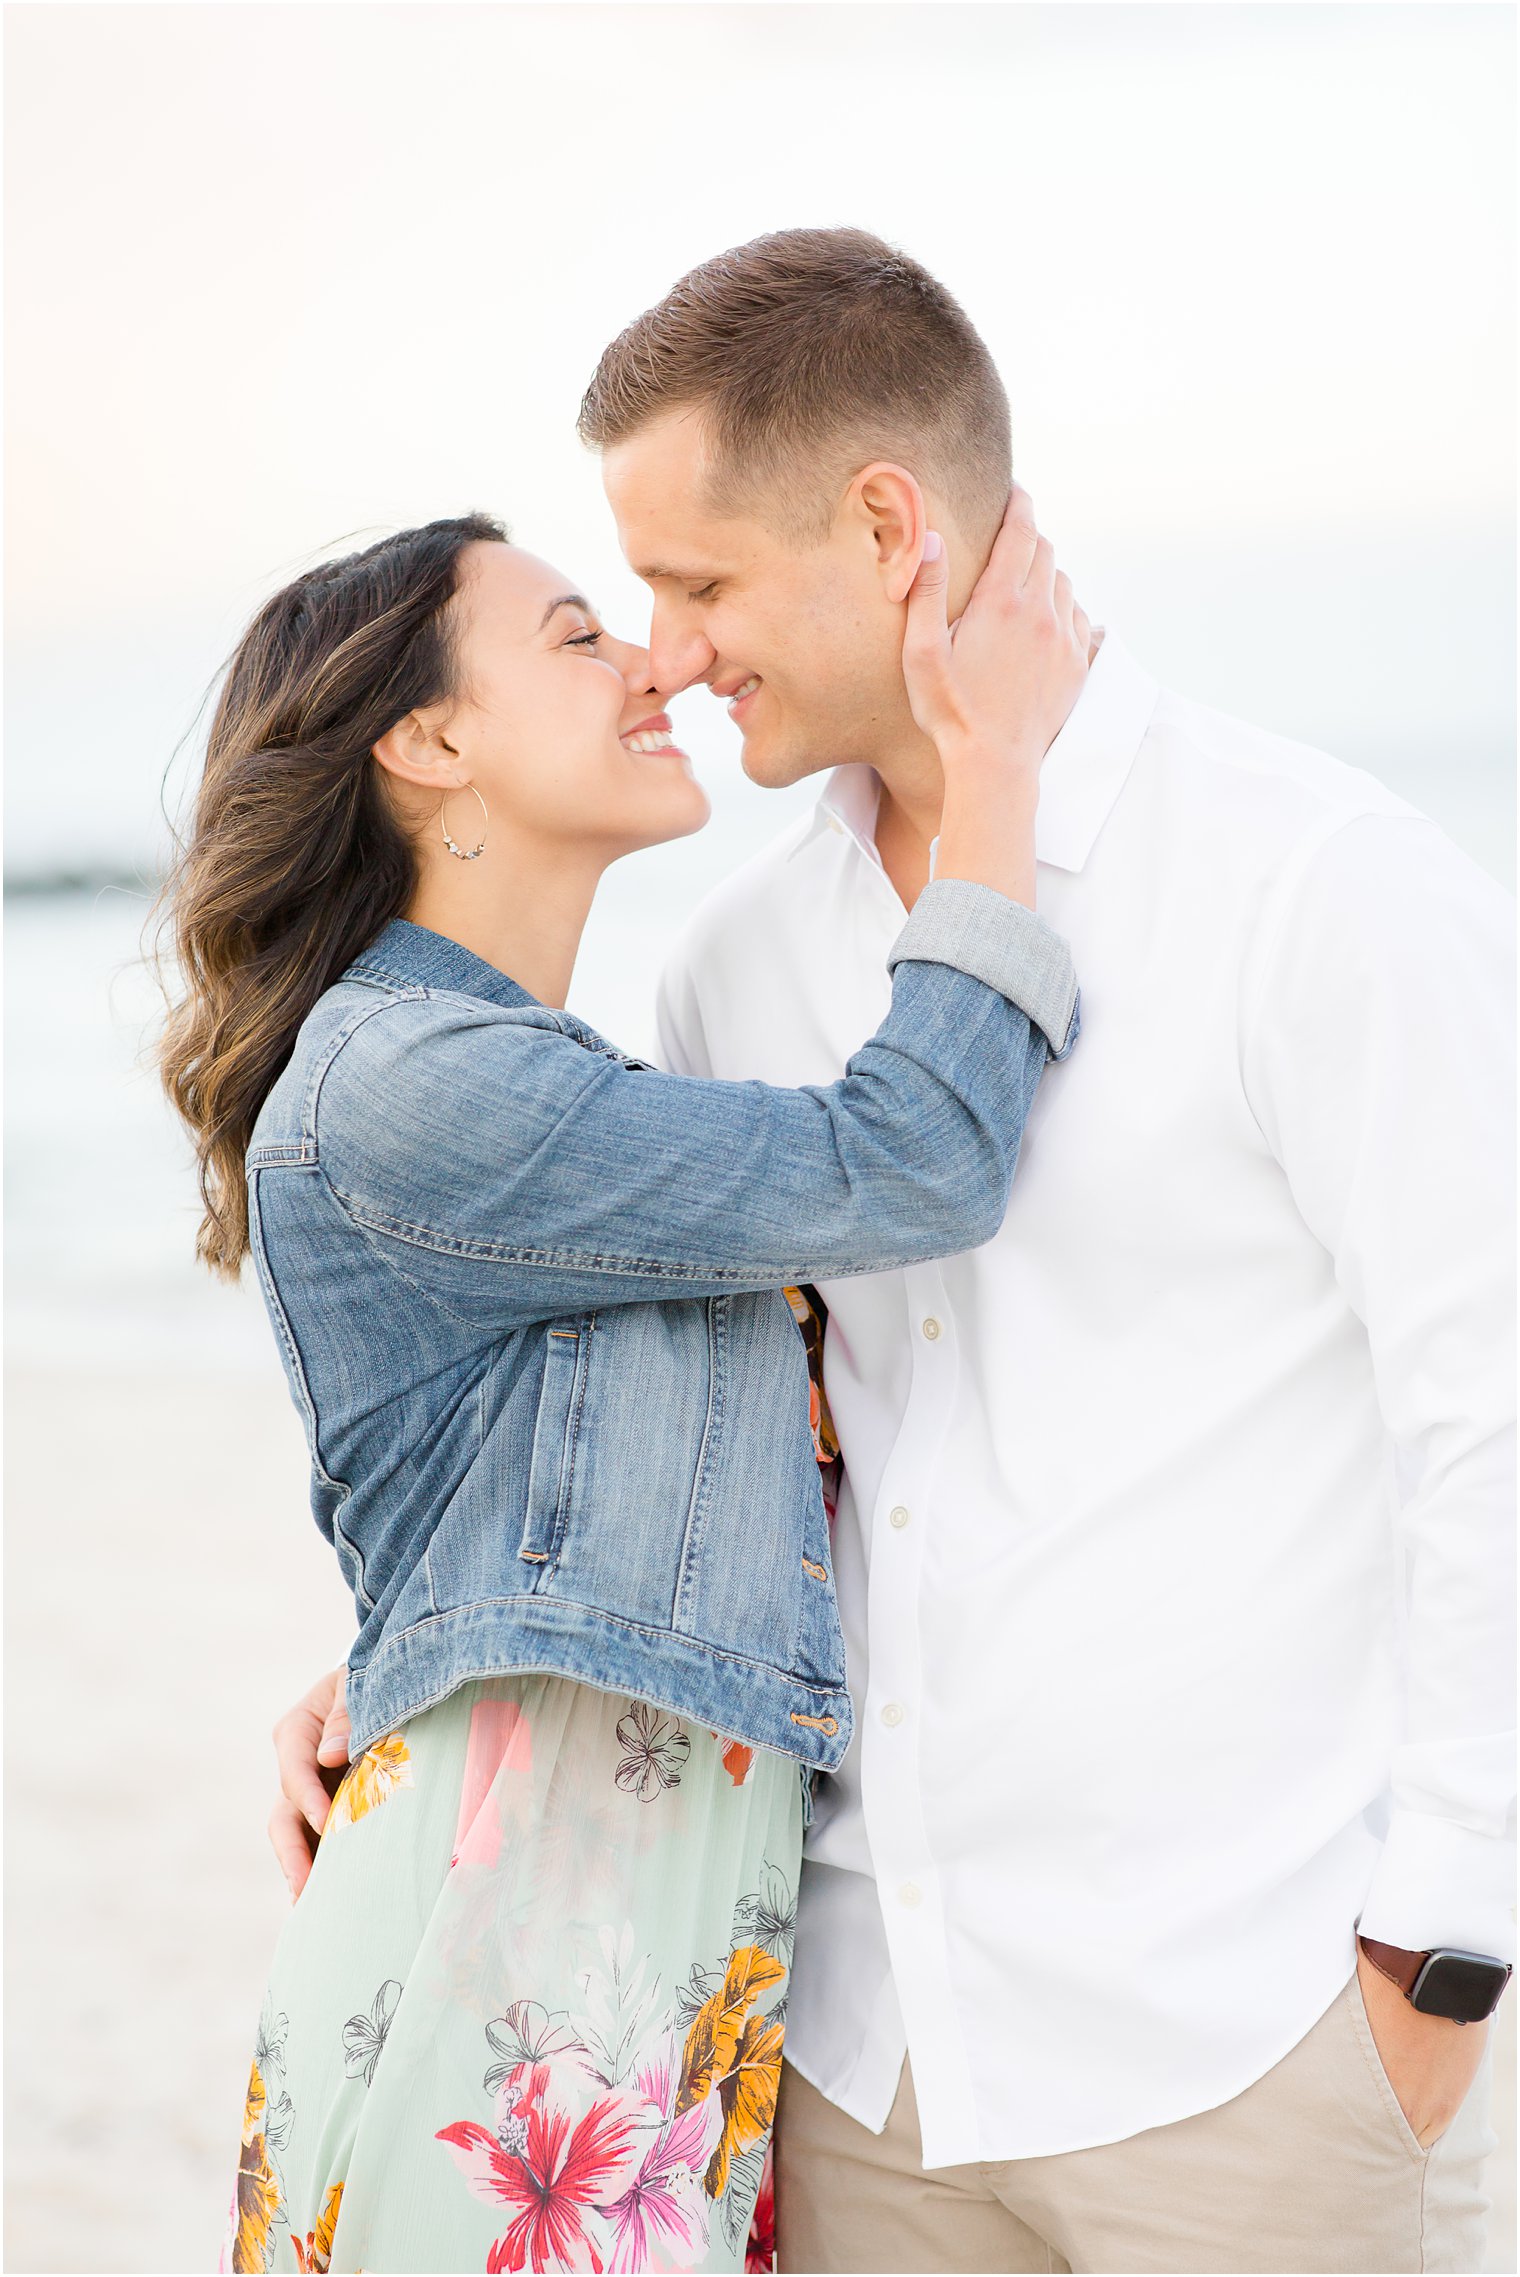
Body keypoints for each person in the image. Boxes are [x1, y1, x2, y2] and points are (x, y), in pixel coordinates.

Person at [276, 226, 1517, 2275]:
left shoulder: (1319, 887)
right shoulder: (743, 964)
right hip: (852, 2063)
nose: (663, 653)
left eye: (690, 585)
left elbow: (1490, 1415)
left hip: (1249, 2044)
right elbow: (738, 1430)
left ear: (883, 522)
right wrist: (408, 1652)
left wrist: (1443, 1948)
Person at [162, 501, 1090, 2274]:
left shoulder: (507, 1075)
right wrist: (998, 775)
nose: (656, 657)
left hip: (631, 1938)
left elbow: (527, 1469)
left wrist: (402, 1641)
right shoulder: (413, 1080)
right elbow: (911, 1159)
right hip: (516, 1943)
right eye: (582, 634)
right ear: (431, 743)